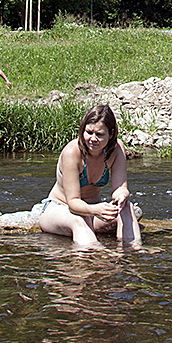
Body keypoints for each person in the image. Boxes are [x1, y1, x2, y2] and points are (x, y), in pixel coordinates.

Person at [37, 104, 141, 248]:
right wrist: (96, 210)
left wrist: (122, 195)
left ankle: (133, 251)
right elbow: (73, 202)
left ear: (111, 134)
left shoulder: (116, 150)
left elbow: (120, 188)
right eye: (89, 132)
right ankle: (93, 255)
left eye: (99, 134)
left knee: (127, 207)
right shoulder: (72, 152)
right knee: (79, 220)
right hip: (62, 209)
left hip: (92, 212)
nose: (93, 138)